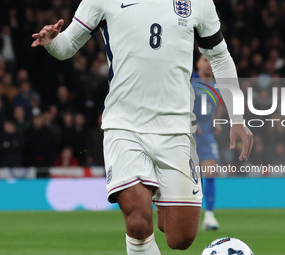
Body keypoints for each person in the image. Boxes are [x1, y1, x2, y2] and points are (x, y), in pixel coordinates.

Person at [31, 0, 253, 254]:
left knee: (180, 239)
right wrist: (52, 43)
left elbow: (220, 57)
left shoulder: (199, 3)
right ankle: (147, 203)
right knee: (137, 222)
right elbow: (67, 45)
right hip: (124, 126)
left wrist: (237, 117)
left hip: (176, 129)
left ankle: (160, 200)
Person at [192, 54, 223, 230]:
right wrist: (191, 120)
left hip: (206, 135)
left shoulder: (216, 84)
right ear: (198, 63)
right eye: (205, 60)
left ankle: (209, 217)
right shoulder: (189, 81)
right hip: (187, 134)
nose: (209, 64)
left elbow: (220, 103)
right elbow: (178, 102)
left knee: (210, 172)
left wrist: (216, 121)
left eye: (211, 60)